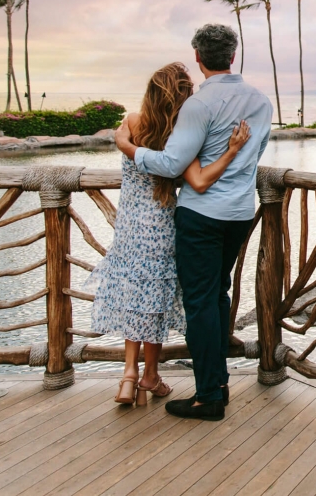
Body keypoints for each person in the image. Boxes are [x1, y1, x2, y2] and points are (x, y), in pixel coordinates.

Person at [115, 24, 273, 421]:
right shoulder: (261, 102)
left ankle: (207, 397)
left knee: (200, 301)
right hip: (239, 212)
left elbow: (171, 163)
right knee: (218, 294)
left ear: (199, 58)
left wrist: (128, 148)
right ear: (233, 56)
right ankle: (218, 382)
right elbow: (253, 156)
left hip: (202, 215)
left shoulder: (198, 106)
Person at [87, 62, 250, 406]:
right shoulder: (178, 137)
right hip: (162, 227)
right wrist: (232, 150)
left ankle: (129, 377)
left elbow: (122, 140)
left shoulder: (130, 123)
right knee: (156, 301)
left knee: (135, 297)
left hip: (129, 227)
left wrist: (123, 142)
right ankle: (150, 375)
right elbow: (199, 179)